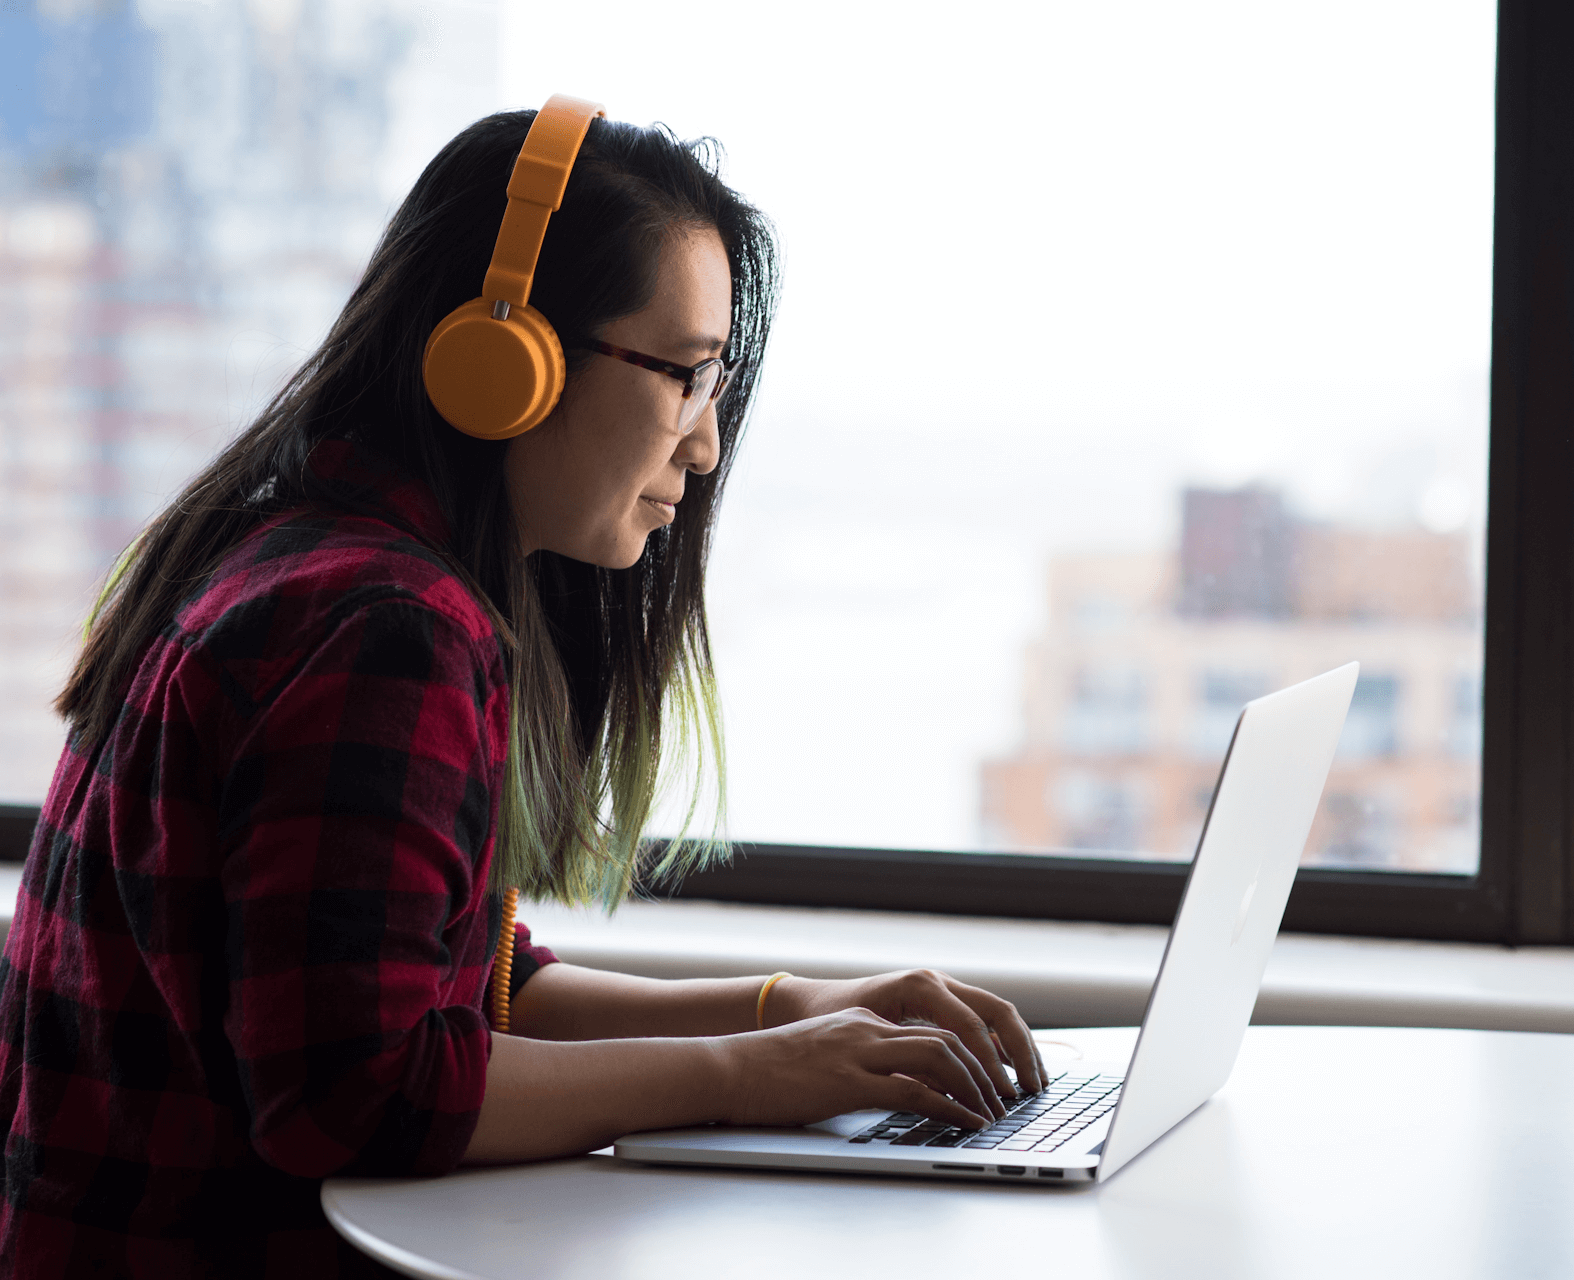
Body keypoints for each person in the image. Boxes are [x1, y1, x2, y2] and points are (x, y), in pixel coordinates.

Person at [0, 100, 1045, 1278]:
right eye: (687, 376)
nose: (703, 448)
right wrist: (750, 1077)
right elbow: (362, 1088)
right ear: (507, 359)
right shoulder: (384, 628)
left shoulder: (308, 555)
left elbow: (471, 982)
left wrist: (785, 1006)